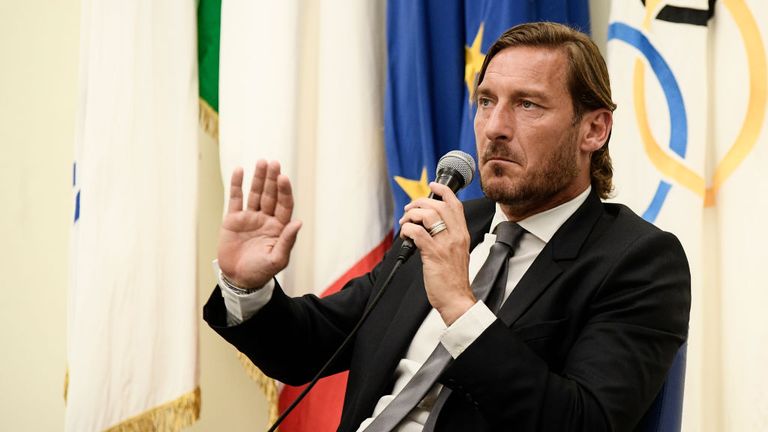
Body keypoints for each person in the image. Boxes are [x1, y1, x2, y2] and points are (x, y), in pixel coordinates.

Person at [204, 22, 691, 431]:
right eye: (485, 101)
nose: (495, 127)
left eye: (528, 105)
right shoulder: (449, 223)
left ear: (593, 130)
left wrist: (461, 306)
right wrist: (248, 286)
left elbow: (584, 422)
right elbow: (310, 350)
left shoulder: (638, 260)